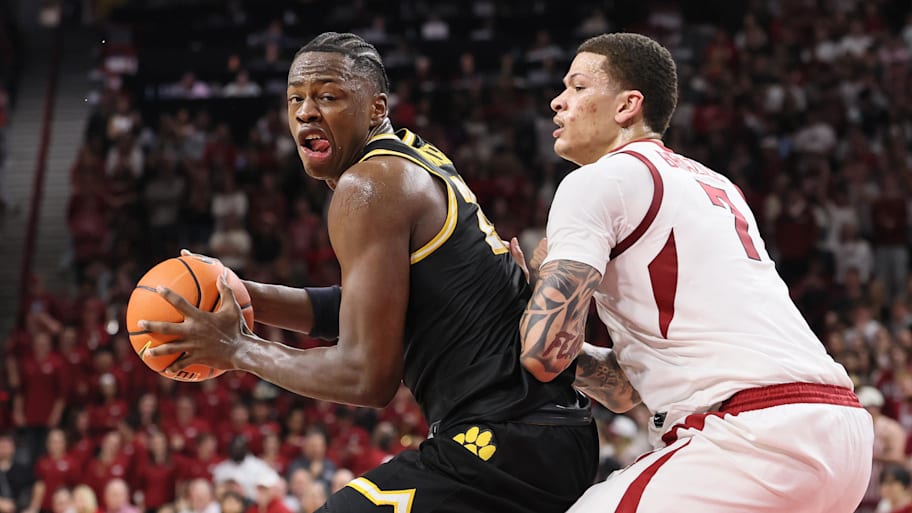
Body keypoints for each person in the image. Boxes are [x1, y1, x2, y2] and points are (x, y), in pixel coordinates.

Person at [140, 32, 597, 512]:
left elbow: (366, 377)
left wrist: (238, 348)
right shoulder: (408, 159)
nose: (305, 112)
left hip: (507, 440)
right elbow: (371, 307)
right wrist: (244, 294)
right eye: (296, 98)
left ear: (377, 108)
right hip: (543, 433)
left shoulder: (368, 186)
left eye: (328, 97)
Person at [514, 32, 873, 512]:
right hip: (839, 431)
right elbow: (623, 390)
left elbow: (543, 355)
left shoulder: (597, 181)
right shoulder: (715, 184)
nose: (558, 101)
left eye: (578, 87)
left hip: (750, 435)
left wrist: (522, 304)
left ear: (627, 106)